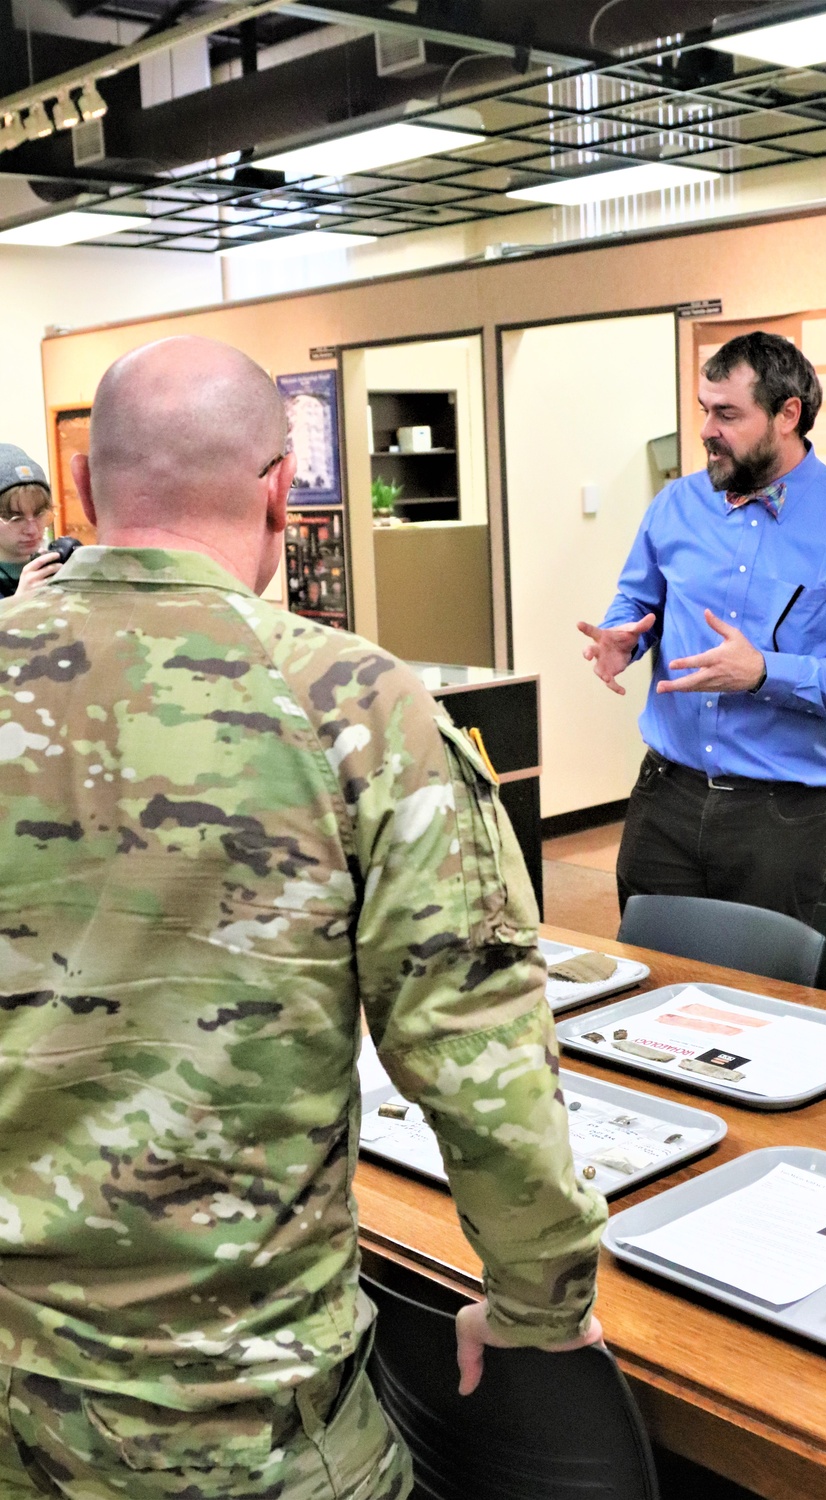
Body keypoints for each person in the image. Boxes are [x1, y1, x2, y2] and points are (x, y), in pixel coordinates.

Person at [0, 335, 606, 1499]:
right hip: (250, 1434)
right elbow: (479, 1061)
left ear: (82, 491)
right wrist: (538, 1300)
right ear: (281, 487)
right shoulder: (353, 705)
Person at [578, 331, 826, 925]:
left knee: (760, 1007)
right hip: (664, 800)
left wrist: (763, 673)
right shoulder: (676, 504)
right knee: (652, 987)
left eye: (727, 414)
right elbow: (636, 598)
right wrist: (622, 634)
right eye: (705, 409)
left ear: (788, 415)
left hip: (777, 818)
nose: (707, 429)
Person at [0, 443, 65, 599]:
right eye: (16, 518)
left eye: (39, 514)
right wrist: (18, 603)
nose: (32, 530)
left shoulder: (53, 566)